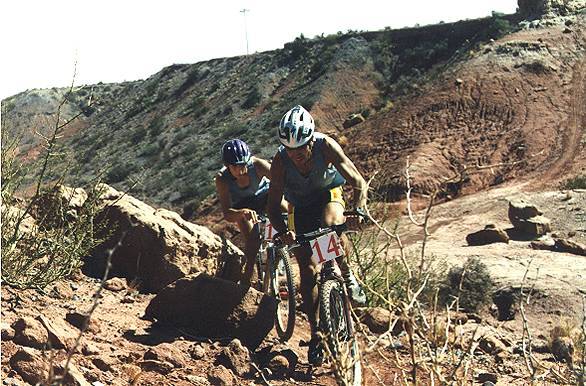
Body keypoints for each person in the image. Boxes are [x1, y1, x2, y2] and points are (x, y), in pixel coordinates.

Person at [267, 105, 367, 365]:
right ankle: (317, 334)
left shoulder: (326, 146)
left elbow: (357, 180)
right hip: (299, 207)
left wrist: (358, 209)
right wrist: (284, 233)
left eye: (300, 148)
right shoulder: (280, 161)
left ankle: (346, 274)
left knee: (330, 223)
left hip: (328, 195)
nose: (296, 155)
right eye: (290, 150)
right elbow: (272, 205)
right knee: (307, 269)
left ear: (311, 140)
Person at [215, 138, 277, 287]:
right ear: (227, 165)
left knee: (281, 208)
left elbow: (281, 182)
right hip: (242, 207)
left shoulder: (257, 165)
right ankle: (246, 281)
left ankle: (279, 255)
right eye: (235, 167)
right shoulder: (222, 178)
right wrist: (241, 213)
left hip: (265, 197)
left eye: (243, 164)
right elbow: (227, 214)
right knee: (253, 240)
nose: (240, 170)